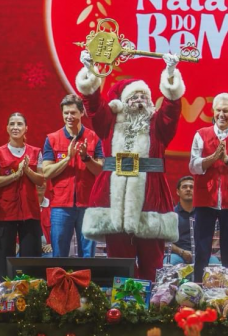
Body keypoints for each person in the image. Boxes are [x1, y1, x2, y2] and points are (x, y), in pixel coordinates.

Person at [75, 50, 183, 281]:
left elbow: (172, 110)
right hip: (114, 202)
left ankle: (152, 299)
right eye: (134, 97)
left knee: (153, 264)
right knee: (120, 265)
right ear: (122, 103)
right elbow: (93, 104)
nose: (139, 101)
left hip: (151, 200)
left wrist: (170, 74)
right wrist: (89, 70)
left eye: (144, 97)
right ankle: (124, 301)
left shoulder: (158, 124)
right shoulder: (109, 122)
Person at [188, 93, 228, 282]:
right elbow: (193, 166)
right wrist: (213, 158)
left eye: (226, 111)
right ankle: (197, 287)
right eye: (218, 110)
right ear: (213, 111)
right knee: (202, 250)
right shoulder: (201, 134)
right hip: (204, 200)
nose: (221, 114)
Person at [39, 95, 104, 258]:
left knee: (87, 255)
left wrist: (86, 158)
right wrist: (68, 158)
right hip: (60, 204)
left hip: (88, 203)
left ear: (82, 113)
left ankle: (86, 276)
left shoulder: (94, 138)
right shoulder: (52, 139)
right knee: (59, 254)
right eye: (66, 113)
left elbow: (100, 171)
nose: (69, 116)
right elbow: (46, 172)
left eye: (73, 113)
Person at [0, 113, 46, 278]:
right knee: (2, 256)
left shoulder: (35, 152)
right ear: (7, 128)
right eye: (12, 124)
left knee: (31, 256)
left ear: (26, 128)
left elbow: (41, 180)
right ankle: (1, 287)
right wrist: (15, 175)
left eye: (19, 124)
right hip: (5, 210)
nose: (16, 127)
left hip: (29, 210)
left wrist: (27, 170)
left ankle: (31, 288)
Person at [167, 176, 220, 265]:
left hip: (204, 254)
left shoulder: (206, 214)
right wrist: (182, 252)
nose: (188, 189)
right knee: (169, 263)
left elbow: (216, 237)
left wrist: (204, 250)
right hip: (178, 255)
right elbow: (165, 242)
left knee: (216, 265)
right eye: (184, 187)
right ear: (177, 192)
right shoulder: (171, 214)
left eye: (191, 187)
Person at [36, 184, 53, 257]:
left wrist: (53, 245)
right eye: (37, 182)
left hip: (48, 250)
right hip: (28, 249)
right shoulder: (25, 206)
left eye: (44, 182)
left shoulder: (53, 206)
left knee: (52, 256)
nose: (41, 185)